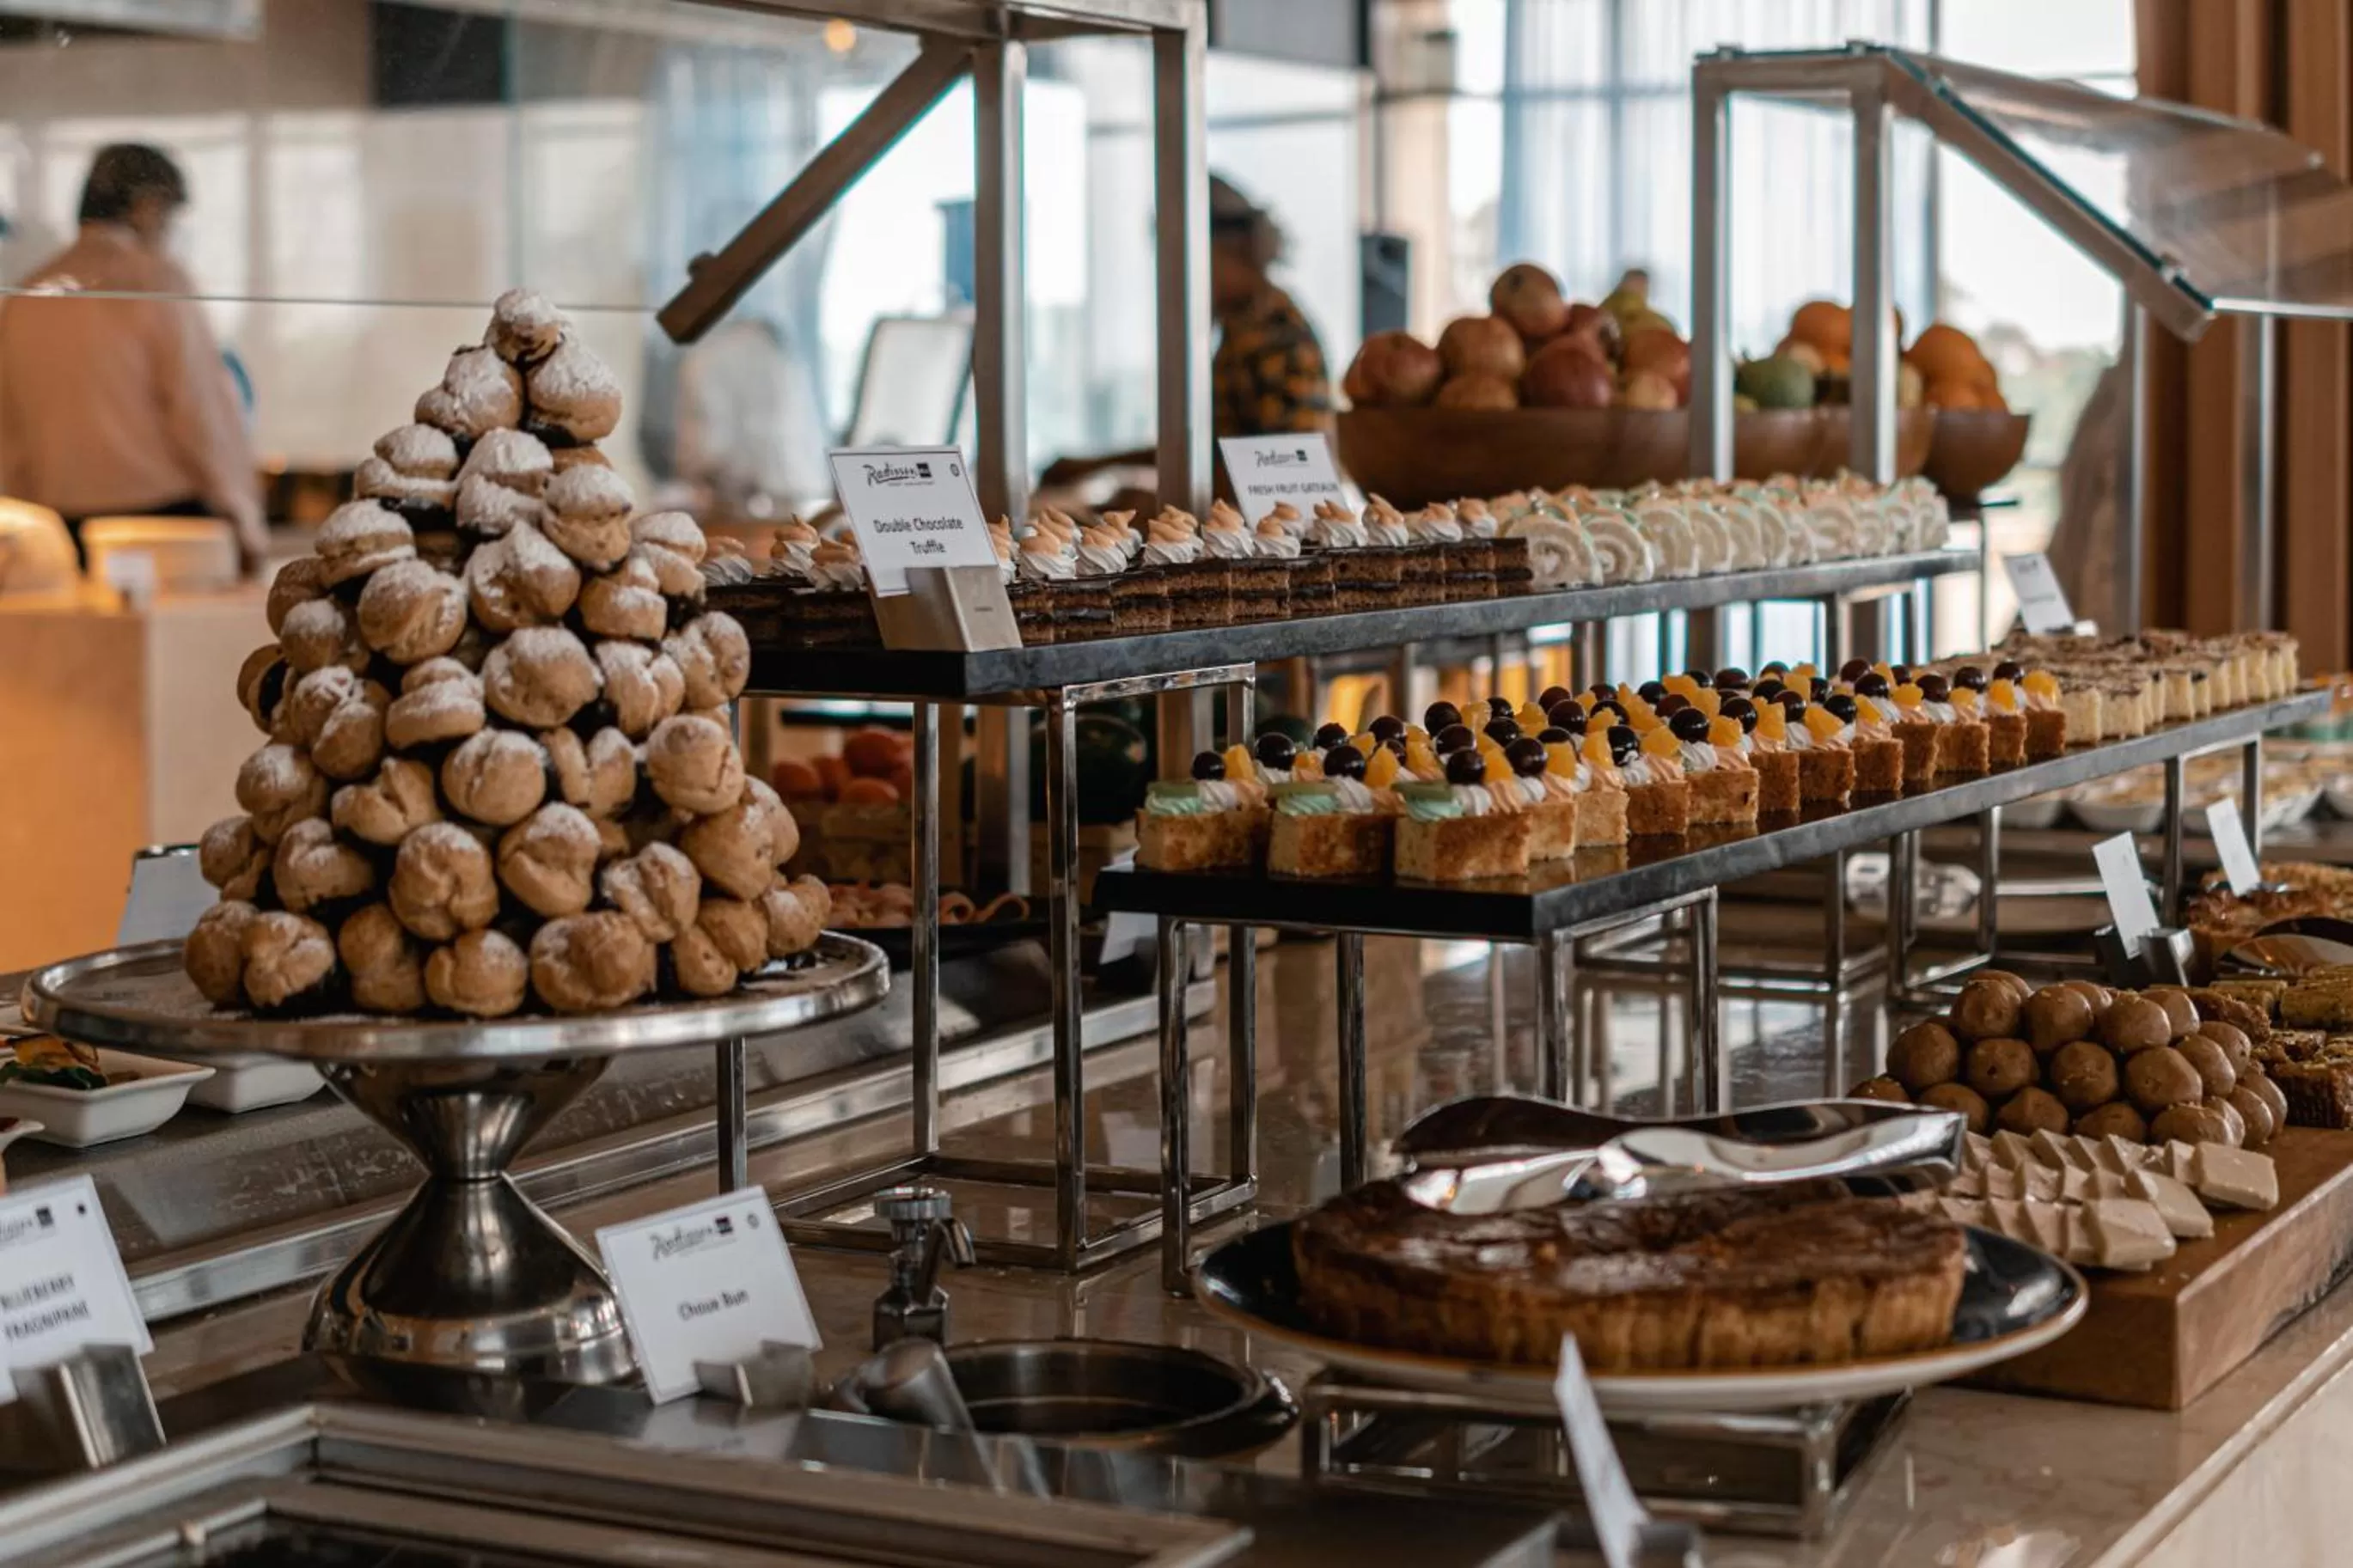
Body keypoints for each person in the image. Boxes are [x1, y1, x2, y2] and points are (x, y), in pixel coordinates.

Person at [0, 143, 266, 576]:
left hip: (61, 528)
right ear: (148, 206)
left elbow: (10, 435)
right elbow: (200, 413)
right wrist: (244, 519)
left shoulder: (28, 294)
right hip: (166, 529)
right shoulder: (156, 279)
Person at [1040, 174, 1332, 494]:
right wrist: (1094, 466)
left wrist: (1149, 500)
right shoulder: (1243, 331)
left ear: (1226, 249)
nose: (1172, 280)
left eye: (1177, 260)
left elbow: (1287, 480)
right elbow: (1210, 452)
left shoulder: (1278, 340)